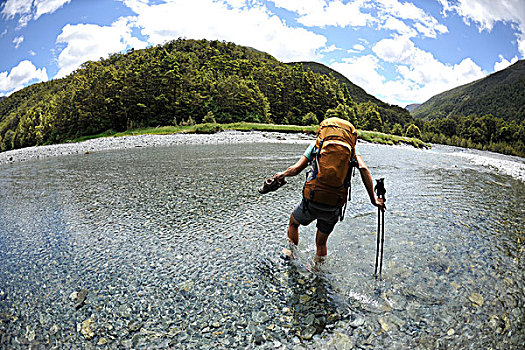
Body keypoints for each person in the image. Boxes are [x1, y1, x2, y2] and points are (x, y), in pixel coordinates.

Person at [273, 136, 386, 263]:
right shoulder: (352, 149)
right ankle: (318, 273)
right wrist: (373, 200)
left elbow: (296, 169)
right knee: (321, 244)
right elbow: (364, 169)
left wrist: (282, 175)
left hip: (313, 199)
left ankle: (291, 256)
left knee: (293, 223)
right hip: (334, 204)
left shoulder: (317, 144)